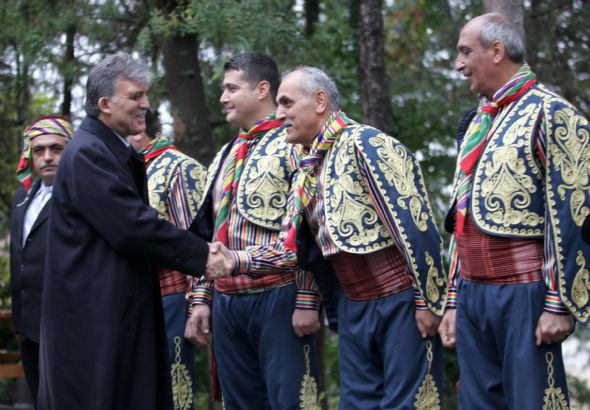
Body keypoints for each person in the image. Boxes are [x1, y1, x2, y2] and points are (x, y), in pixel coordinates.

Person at [216, 66, 448, 409]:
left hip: (400, 302)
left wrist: (428, 301)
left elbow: (416, 228)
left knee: (410, 404)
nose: (279, 114)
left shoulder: (367, 144)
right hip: (353, 306)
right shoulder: (307, 165)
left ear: (320, 101)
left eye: (287, 103)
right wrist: (236, 259)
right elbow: (291, 249)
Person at [37, 53, 212, 410]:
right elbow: (133, 227)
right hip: (95, 325)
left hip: (114, 314)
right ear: (104, 104)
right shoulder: (88, 153)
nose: (145, 105)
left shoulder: (109, 149)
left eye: (145, 95)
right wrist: (206, 256)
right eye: (135, 96)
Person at [438, 13, 590, 409]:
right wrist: (453, 300)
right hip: (472, 294)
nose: (458, 64)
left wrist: (559, 304)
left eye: (465, 52)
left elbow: (574, 215)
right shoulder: (475, 123)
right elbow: (460, 217)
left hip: (525, 294)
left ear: (497, 51)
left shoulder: (553, 114)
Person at [186, 52, 321, 410]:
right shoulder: (226, 154)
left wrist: (307, 298)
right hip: (228, 304)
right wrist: (201, 299)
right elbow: (207, 232)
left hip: (279, 296)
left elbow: (308, 228)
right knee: (239, 403)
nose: (222, 97)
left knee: (291, 400)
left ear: (263, 89)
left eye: (231, 88)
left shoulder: (293, 144)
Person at [127, 109, 207, 409]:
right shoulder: (118, 169)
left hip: (172, 296)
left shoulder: (178, 167)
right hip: (133, 297)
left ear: (137, 128)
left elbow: (198, 240)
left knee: (176, 389)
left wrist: (198, 300)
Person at [9, 115, 73, 407]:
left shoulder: (79, 196)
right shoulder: (19, 199)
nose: (47, 157)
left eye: (56, 148)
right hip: (28, 325)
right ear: (30, 155)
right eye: (39, 150)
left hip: (66, 324)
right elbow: (19, 258)